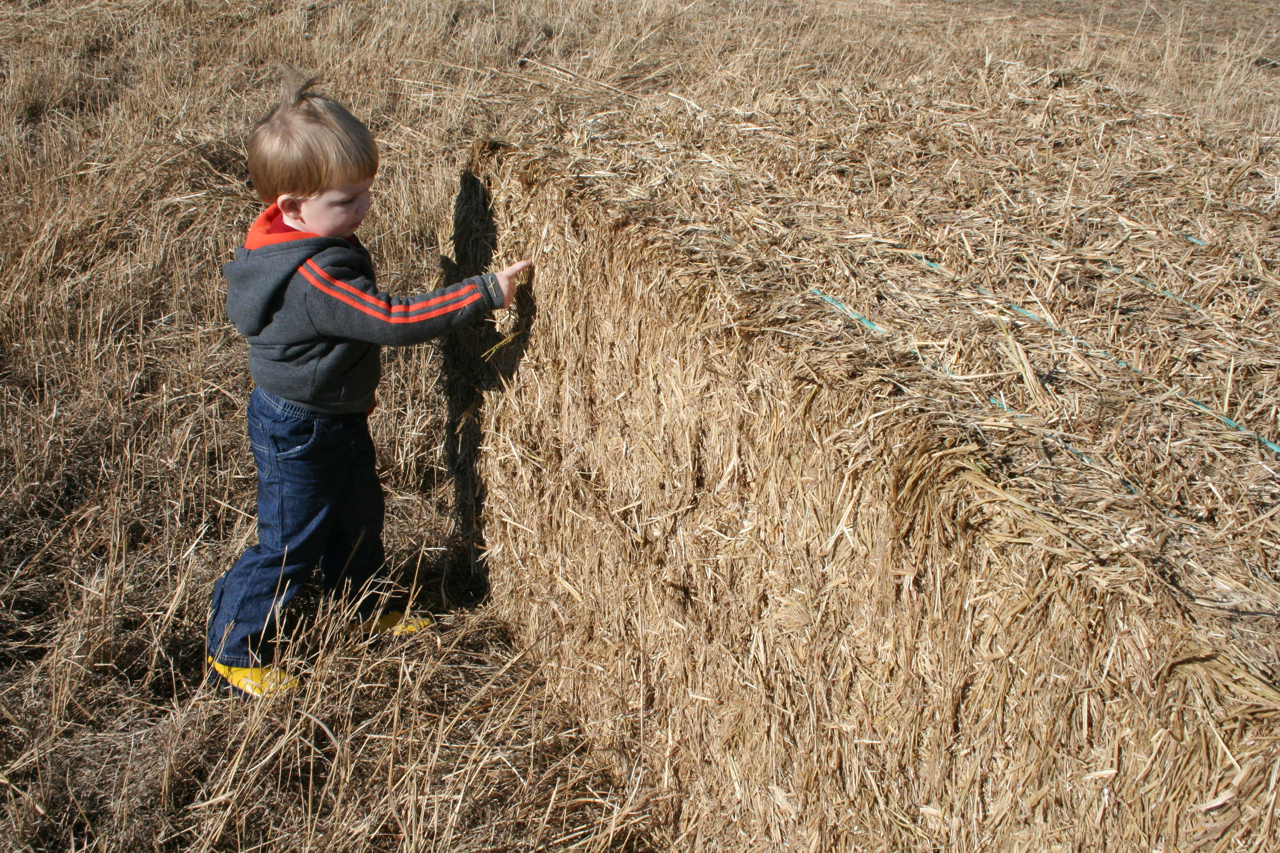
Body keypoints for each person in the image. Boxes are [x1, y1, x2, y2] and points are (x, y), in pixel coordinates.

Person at [205, 69, 530, 698]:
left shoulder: (300, 234)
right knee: (290, 541)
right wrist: (482, 292)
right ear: (292, 207)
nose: (363, 209)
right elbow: (391, 320)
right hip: (299, 428)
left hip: (334, 416)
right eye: (347, 200)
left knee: (358, 518)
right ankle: (233, 645)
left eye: (366, 193)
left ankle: (366, 605)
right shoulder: (314, 278)